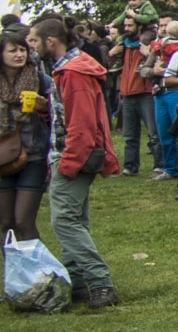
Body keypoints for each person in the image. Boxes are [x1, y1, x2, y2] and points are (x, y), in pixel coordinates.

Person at [31, 18, 120, 308]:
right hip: (75, 154)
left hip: (74, 156)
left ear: (50, 41)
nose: (29, 47)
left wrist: (66, 164)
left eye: (33, 41)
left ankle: (100, 283)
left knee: (65, 222)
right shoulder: (68, 69)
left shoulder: (73, 73)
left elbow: (81, 126)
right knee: (73, 220)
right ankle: (79, 284)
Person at [0, 32, 53, 241]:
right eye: (13, 50)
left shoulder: (39, 78)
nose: (19, 54)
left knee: (23, 221)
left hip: (33, 155)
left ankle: (36, 271)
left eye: (23, 49)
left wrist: (44, 107)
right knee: (6, 222)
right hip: (3, 157)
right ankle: (13, 272)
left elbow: (59, 113)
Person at [106, 16, 157, 178]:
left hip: (145, 92)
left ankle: (160, 166)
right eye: (125, 25)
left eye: (130, 25)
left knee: (153, 133)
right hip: (126, 93)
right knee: (129, 135)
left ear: (140, 27)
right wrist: (111, 54)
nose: (126, 28)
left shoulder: (147, 44)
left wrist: (148, 54)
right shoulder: (123, 45)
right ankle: (129, 167)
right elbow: (109, 68)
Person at [152, 20, 178, 183]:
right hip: (162, 90)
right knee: (165, 132)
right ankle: (170, 167)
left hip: (177, 92)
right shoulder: (161, 46)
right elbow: (145, 69)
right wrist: (154, 70)